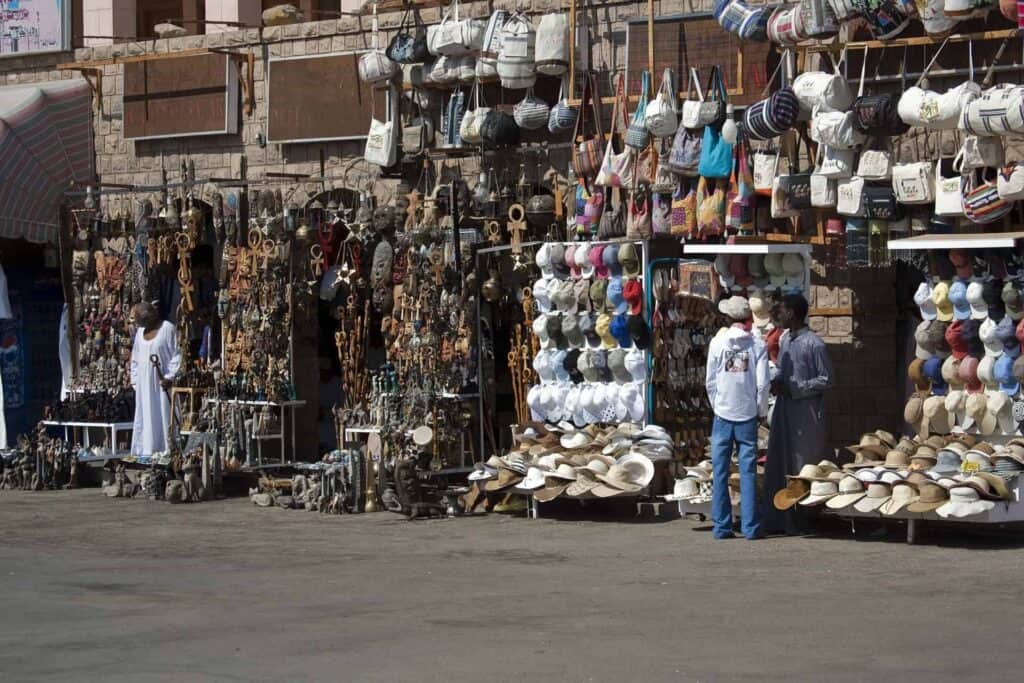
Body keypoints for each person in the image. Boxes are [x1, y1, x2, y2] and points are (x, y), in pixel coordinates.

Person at [763, 293, 834, 535]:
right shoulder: (784, 340)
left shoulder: (814, 344)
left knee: (803, 464)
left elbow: (826, 379)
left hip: (806, 413)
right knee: (781, 460)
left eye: (781, 310)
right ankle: (781, 518)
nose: (778, 315)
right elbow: (783, 371)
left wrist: (796, 388)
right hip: (784, 410)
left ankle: (806, 518)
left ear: (792, 313)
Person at [705, 296, 769, 540]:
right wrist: (760, 410)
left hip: (723, 412)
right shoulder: (756, 344)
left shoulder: (718, 342)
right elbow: (762, 384)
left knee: (719, 470)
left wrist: (717, 405)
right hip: (747, 413)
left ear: (728, 318)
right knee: (748, 471)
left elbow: (710, 381)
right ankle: (750, 526)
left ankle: (721, 526)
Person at [130, 302, 181, 457]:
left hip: (162, 385)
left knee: (164, 415)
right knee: (145, 416)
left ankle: (167, 450)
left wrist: (170, 377)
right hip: (144, 386)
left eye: (139, 321)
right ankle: (146, 451)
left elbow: (177, 355)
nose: (138, 325)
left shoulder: (167, 329)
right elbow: (135, 359)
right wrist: (136, 381)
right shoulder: (139, 333)